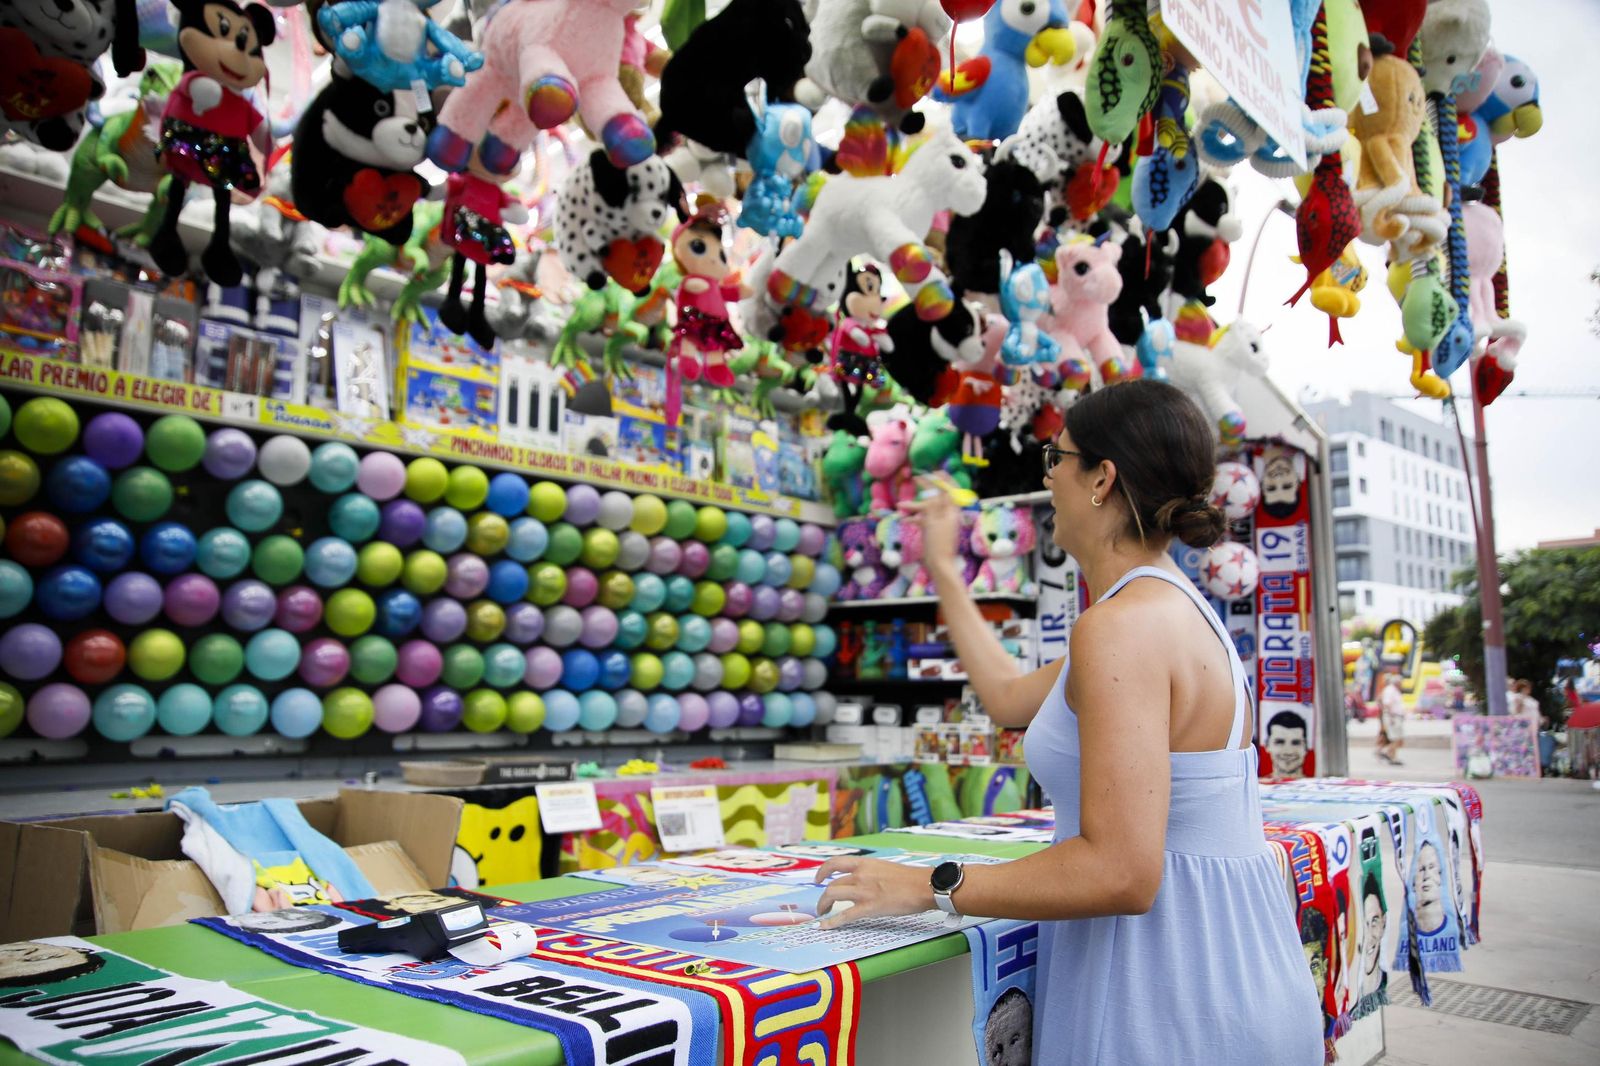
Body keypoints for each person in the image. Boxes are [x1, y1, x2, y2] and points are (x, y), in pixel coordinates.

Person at [812, 380, 1322, 1064]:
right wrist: (942, 567)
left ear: (1101, 478)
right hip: (1230, 975)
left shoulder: (1121, 629)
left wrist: (931, 885)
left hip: (1163, 996)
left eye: (1057, 456)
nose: (1047, 477)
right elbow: (1011, 699)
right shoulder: (1170, 611)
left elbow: (1120, 871)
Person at [1379, 673, 1406, 765]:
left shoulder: (1394, 690)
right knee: (1395, 738)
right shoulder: (1390, 690)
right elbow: (1387, 704)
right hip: (1393, 717)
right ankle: (1388, 754)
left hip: (1395, 716)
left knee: (1397, 738)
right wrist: (1391, 717)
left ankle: (1389, 754)